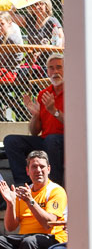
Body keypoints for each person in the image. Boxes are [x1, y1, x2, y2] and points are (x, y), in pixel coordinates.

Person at [5, 53, 65, 186]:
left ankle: (55, 187)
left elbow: (74, 125)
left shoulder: (73, 92)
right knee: (10, 140)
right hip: (47, 140)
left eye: (59, 67)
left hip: (66, 141)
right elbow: (34, 132)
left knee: (52, 140)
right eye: (51, 68)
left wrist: (54, 111)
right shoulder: (44, 94)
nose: (55, 71)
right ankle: (25, 185)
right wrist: (36, 115)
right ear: (47, 71)